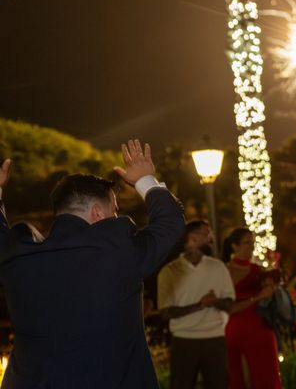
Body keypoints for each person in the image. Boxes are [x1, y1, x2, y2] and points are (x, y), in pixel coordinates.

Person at [0, 139, 185, 388]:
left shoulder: (17, 256)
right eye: (115, 210)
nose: (115, 216)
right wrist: (144, 178)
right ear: (98, 212)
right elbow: (170, 223)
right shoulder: (119, 252)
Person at [157, 219, 236, 389]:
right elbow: (166, 312)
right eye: (206, 234)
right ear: (192, 238)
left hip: (215, 340)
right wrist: (200, 305)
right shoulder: (170, 271)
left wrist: (216, 302)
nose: (211, 239)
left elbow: (230, 304)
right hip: (184, 340)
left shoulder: (218, 267)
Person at [223, 227, 281, 389]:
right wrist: (257, 297)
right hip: (234, 328)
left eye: (252, 243)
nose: (251, 246)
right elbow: (228, 308)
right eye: (247, 243)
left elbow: (268, 298)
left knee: (265, 376)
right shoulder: (225, 270)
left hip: (259, 328)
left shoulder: (258, 271)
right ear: (234, 246)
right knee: (236, 377)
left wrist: (270, 288)